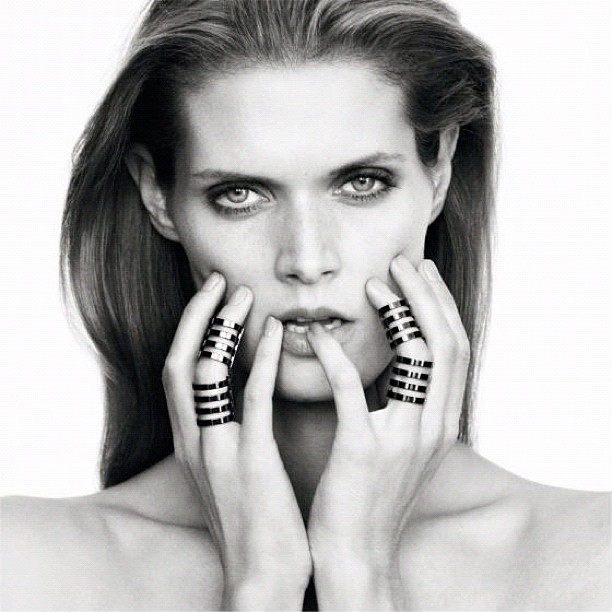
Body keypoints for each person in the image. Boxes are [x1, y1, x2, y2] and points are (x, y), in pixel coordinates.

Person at [2, 0, 610, 609]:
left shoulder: (591, 558)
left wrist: (360, 569)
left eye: (362, 184)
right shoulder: (25, 563)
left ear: (440, 171)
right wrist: (260, 585)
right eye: (240, 194)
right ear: (158, 195)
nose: (307, 259)